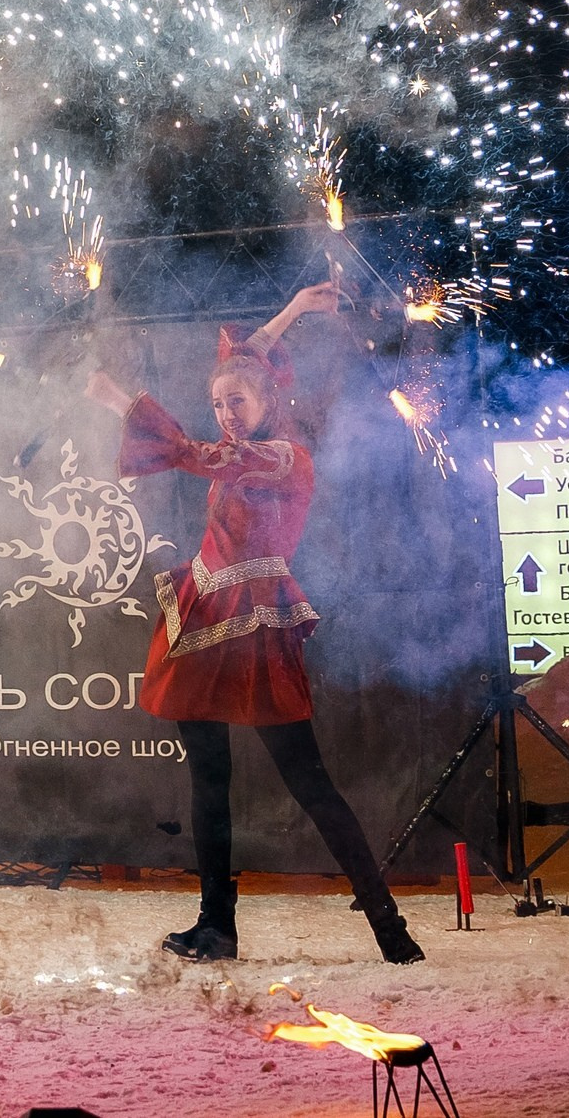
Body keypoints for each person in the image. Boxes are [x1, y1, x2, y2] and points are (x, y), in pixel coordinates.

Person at [85, 283, 422, 965]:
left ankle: (390, 928)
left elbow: (198, 453)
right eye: (217, 404)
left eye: (237, 402)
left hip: (256, 621)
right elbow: (246, 360)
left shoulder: (284, 458)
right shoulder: (247, 425)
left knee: (309, 781)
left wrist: (120, 401)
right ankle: (216, 926)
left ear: (269, 402)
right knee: (208, 779)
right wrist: (295, 308)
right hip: (204, 613)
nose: (225, 413)